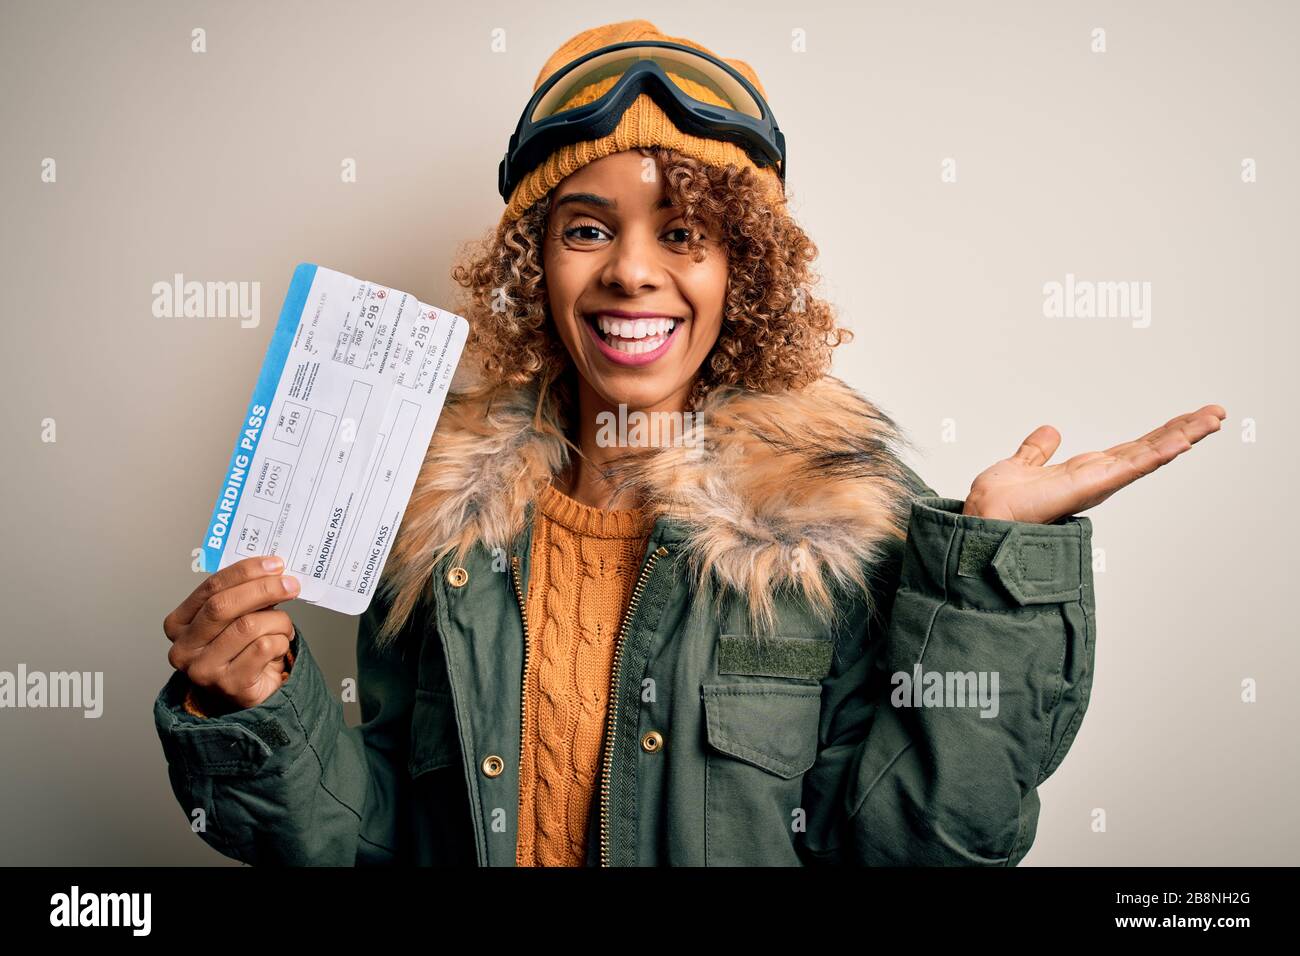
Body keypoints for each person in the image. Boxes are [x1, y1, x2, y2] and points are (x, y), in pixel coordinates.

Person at [155, 19, 1224, 866]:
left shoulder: (834, 520)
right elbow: (378, 837)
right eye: (586, 227)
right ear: (536, 265)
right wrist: (253, 709)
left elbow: (925, 847)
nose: (630, 270)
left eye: (683, 233)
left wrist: (991, 573)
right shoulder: (434, 527)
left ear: (740, 272)